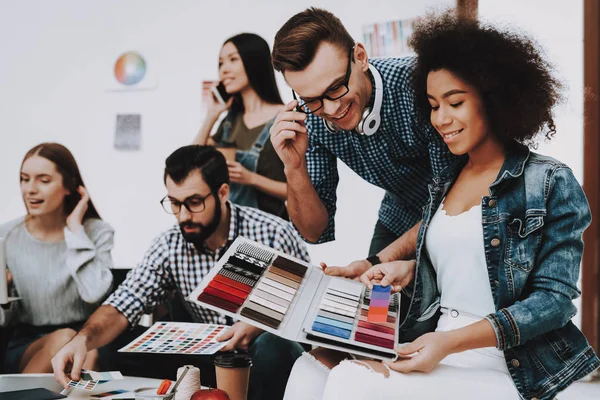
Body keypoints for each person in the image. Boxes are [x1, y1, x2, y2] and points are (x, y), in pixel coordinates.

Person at [283, 10, 600, 400]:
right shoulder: (445, 186)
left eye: (455, 103)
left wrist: (444, 342)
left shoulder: (546, 182)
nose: (440, 119)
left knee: (351, 380)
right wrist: (395, 267)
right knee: (312, 365)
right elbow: (459, 260)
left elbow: (551, 301)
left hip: (502, 359)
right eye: (433, 106)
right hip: (431, 321)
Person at [51, 145, 308, 400]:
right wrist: (81, 340)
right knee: (111, 346)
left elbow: (306, 304)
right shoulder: (170, 243)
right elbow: (125, 301)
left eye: (194, 203)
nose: (183, 215)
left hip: (265, 358)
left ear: (222, 193)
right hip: (208, 360)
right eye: (174, 203)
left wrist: (256, 324)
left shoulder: (273, 233)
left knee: (273, 347)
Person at [269, 7, 456, 271]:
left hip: (457, 211)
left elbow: (453, 199)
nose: (331, 110)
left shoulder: (419, 86)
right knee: (374, 308)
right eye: (311, 100)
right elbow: (313, 231)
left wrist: (376, 261)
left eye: (336, 88)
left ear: (360, 57)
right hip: (399, 217)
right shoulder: (309, 120)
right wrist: (293, 167)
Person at [0, 142, 114, 374]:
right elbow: (4, 321)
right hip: (27, 344)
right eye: (25, 179)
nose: (30, 189)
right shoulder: (6, 237)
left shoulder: (96, 232)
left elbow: (94, 293)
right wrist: (5, 290)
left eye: (43, 180)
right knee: (65, 339)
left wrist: (75, 232)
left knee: (81, 346)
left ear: (69, 187)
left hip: (86, 338)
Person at [194, 33, 288, 219]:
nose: (224, 70)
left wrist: (251, 179)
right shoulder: (230, 122)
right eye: (221, 63)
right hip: (229, 230)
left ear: (255, 62)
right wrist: (212, 114)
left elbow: (301, 193)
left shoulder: (286, 117)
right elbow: (191, 161)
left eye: (232, 60)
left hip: (269, 233)